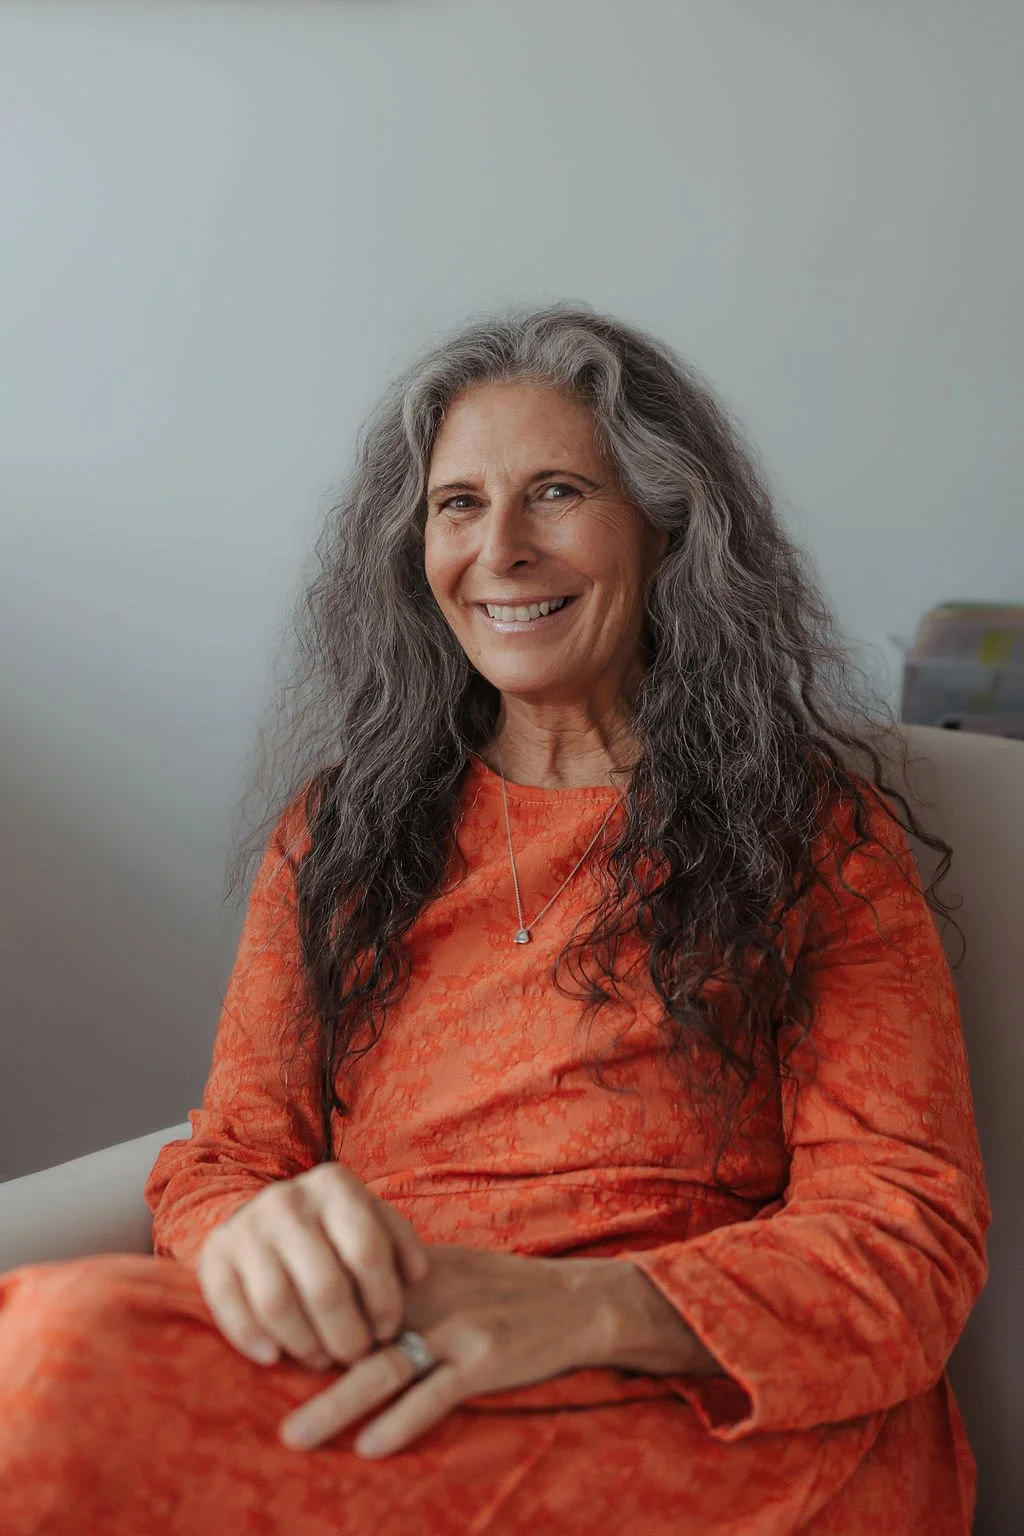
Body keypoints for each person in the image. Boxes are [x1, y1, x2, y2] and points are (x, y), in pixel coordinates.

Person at [0, 303, 990, 1535]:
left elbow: (905, 1236)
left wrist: (570, 1313)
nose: (500, 549)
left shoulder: (811, 835)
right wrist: (254, 1243)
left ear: (668, 530)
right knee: (45, 1349)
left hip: (698, 1411)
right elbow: (230, 1158)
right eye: (458, 504)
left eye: (558, 491)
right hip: (396, 1381)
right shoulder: (341, 835)